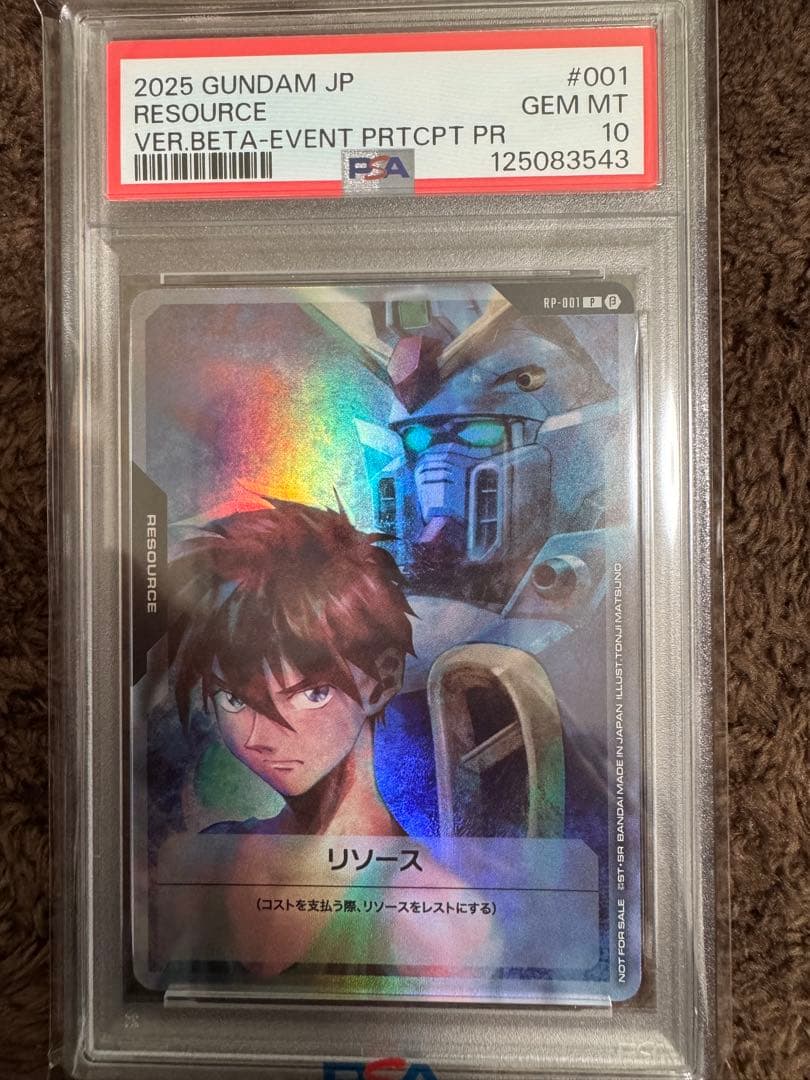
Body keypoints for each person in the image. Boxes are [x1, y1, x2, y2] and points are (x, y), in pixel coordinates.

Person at [167, 499, 416, 837]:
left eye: (313, 693)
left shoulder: (423, 873)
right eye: (235, 700)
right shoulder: (218, 846)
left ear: (383, 679)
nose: (259, 738)